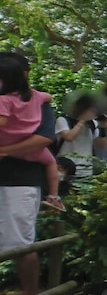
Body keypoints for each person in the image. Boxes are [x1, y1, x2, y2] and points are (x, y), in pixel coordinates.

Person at [0, 52, 58, 295]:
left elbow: (45, 138)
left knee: (20, 241)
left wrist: (5, 150)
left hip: (20, 179)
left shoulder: (38, 102)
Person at [0, 54, 63, 212]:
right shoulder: (35, 96)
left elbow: (45, 138)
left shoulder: (4, 101)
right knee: (50, 162)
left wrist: (4, 151)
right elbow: (49, 97)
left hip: (17, 182)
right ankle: (54, 196)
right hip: (32, 152)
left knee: (14, 233)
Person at [54, 95, 99, 190]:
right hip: (66, 170)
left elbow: (100, 145)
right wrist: (81, 121)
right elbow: (69, 137)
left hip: (86, 171)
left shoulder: (93, 124)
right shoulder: (63, 120)